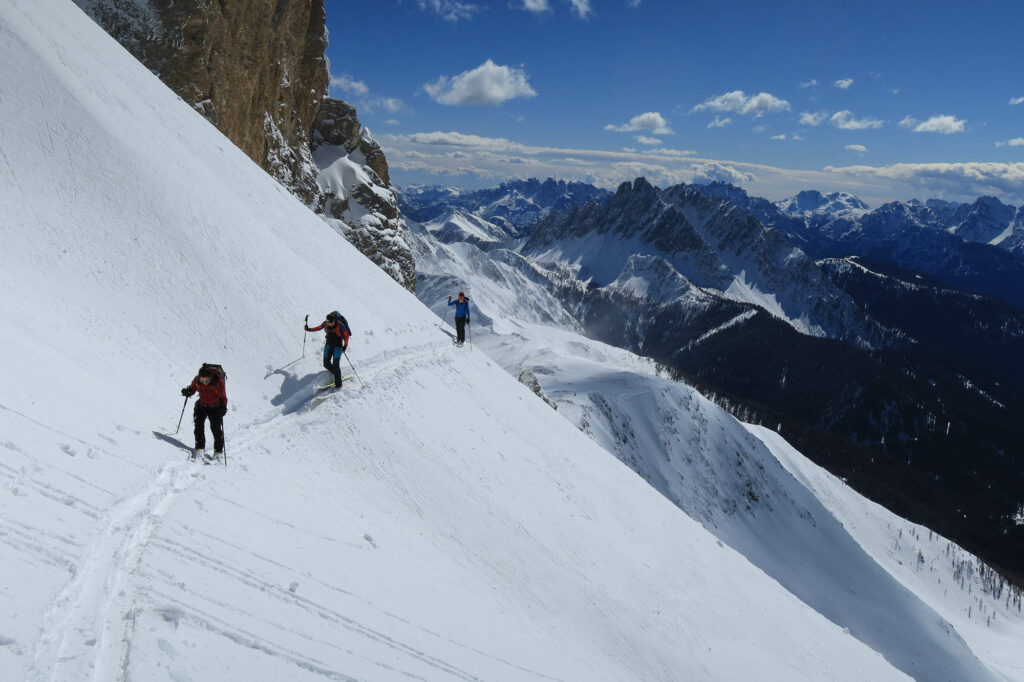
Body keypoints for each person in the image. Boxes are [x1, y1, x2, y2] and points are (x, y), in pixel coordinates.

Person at [181, 365, 227, 462]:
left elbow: (222, 396)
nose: (204, 383)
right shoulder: (197, 380)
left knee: (216, 430)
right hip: (201, 405)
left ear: (211, 377)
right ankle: (199, 448)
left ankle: (218, 452)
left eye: (207, 381)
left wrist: (223, 407)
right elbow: (193, 388)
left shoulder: (218, 382)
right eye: (202, 381)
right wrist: (188, 391)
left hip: (215, 408)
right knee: (198, 427)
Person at [305, 311, 350, 388]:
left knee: (336, 365)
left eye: (331, 323)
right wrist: (309, 329)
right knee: (326, 364)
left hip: (337, 347)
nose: (329, 324)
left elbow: (346, 335)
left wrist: (345, 346)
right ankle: (337, 375)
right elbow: (319, 327)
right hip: (328, 345)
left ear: (334, 320)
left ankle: (338, 385)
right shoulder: (326, 323)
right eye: (328, 323)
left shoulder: (340, 325)